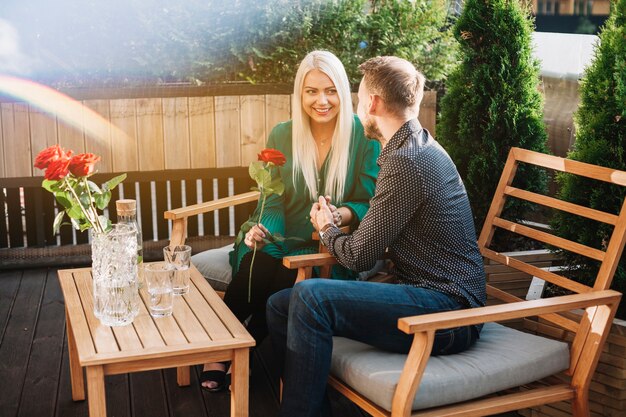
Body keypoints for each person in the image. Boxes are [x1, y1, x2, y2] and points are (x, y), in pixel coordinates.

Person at [266, 56, 486, 417]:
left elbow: (358, 257)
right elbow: (373, 236)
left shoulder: (406, 160)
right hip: (422, 296)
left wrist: (326, 226)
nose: (355, 107)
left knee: (311, 296)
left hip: (448, 314)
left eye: (357, 98)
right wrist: (341, 224)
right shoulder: (410, 146)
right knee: (280, 305)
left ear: (372, 103)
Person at [200, 51, 381, 391]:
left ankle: (234, 352)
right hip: (282, 231)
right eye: (311, 91)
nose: (322, 100)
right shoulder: (283, 134)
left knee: (288, 267)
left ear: (343, 90)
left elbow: (369, 202)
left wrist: (336, 216)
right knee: (261, 256)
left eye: (330, 90)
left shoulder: (364, 136)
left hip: (330, 242)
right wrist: (268, 232)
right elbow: (272, 197)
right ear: (300, 94)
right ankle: (231, 350)